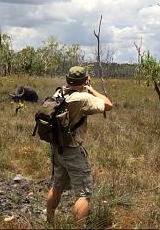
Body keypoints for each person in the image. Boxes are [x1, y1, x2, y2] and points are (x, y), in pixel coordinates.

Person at [46, 66, 113, 227]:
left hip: (57, 149)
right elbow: (108, 104)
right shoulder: (83, 98)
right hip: (73, 151)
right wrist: (90, 89)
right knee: (84, 194)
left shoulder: (59, 93)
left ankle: (49, 221)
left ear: (67, 79)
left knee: (57, 185)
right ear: (84, 80)